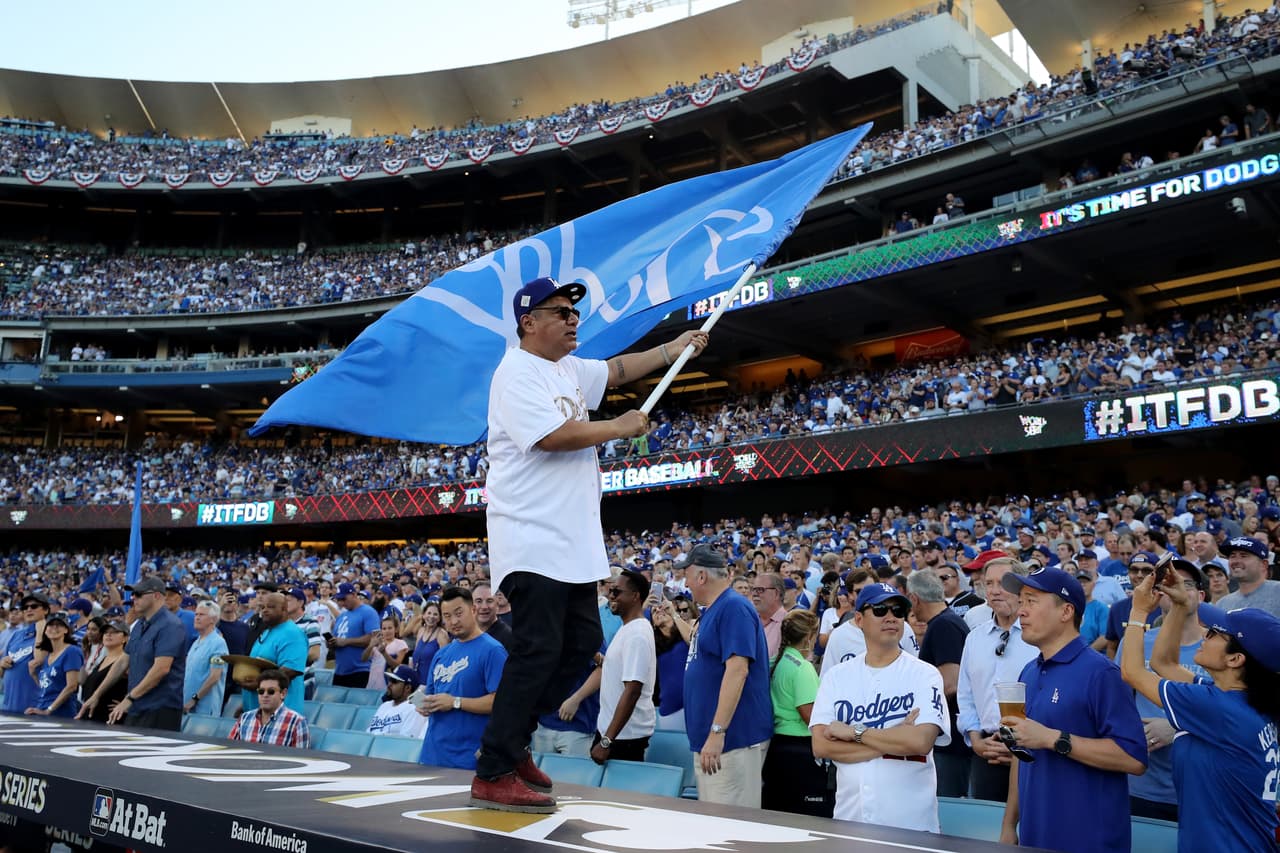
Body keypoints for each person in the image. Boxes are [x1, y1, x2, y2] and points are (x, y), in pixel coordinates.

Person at [473, 276, 707, 812]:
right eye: (561, 311)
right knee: (537, 651)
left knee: (578, 647)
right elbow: (552, 436)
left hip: (573, 542)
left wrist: (674, 348)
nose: (573, 319)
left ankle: (513, 745)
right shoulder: (515, 373)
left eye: (575, 312)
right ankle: (493, 767)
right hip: (531, 536)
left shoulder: (567, 368)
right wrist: (618, 426)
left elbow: (619, 369)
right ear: (529, 322)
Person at [1120, 573, 1280, 851]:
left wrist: (1138, 612)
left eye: (1216, 634)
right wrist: (1179, 608)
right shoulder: (1238, 700)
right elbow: (1163, 664)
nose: (1205, 635)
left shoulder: (1219, 708)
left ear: (1235, 659)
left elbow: (1133, 672)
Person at [998, 567, 1147, 853]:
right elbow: (1022, 754)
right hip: (1034, 834)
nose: (1021, 611)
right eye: (1021, 602)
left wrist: (1054, 739)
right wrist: (1008, 825)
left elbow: (1133, 758)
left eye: (1031, 601)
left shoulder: (1101, 673)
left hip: (1088, 838)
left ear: (1066, 612)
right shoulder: (1029, 671)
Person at [810, 583, 951, 833]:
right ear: (859, 619)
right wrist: (895, 738)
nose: (890, 617)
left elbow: (920, 742)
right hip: (849, 820)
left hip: (911, 825)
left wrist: (855, 733)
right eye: (879, 610)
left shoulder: (924, 674)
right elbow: (821, 746)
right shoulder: (836, 676)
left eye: (898, 611)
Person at [683, 544, 774, 807]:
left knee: (732, 832)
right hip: (714, 742)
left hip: (731, 741)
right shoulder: (715, 609)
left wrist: (717, 731)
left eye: (687, 575)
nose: (685, 582)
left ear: (701, 577)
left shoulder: (733, 607)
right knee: (715, 830)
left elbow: (738, 670)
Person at [1118, 559, 1208, 821]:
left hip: (1200, 787)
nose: (1176, 587)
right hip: (1142, 783)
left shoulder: (1218, 649)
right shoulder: (1135, 642)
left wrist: (1177, 728)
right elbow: (1118, 701)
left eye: (1186, 583)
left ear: (1200, 595)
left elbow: (1230, 715)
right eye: (1168, 582)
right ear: (1157, 594)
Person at [956, 556, 1038, 802]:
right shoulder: (975, 638)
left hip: (1033, 755)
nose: (993, 591)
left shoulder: (1039, 637)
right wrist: (976, 741)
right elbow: (966, 695)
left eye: (1002, 583)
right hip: (986, 753)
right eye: (988, 583)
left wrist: (1027, 746)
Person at [419, 587, 508, 773]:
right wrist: (424, 705)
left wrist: (455, 702)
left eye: (459, 613)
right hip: (431, 754)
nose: (453, 621)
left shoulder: (493, 650)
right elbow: (431, 694)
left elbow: (499, 702)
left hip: (467, 759)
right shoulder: (441, 654)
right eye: (447, 616)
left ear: (473, 610)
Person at [907, 569, 971, 798]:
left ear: (914, 598)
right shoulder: (946, 621)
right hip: (949, 737)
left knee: (948, 803)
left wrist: (914, 711)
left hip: (951, 740)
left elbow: (950, 683)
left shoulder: (944, 625)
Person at [761, 609, 831, 817]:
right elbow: (809, 715)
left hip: (778, 746)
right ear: (809, 637)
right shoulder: (802, 668)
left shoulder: (777, 661)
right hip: (800, 750)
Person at [590, 569, 656, 765]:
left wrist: (606, 741)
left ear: (635, 596)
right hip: (614, 733)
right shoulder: (627, 628)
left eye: (617, 591)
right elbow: (620, 670)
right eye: (610, 590)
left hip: (623, 738)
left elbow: (633, 690)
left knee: (618, 796)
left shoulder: (637, 634)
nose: (611, 596)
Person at [108, 576, 188, 731]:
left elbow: (161, 669)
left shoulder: (171, 625)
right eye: (133, 594)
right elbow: (123, 662)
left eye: (138, 594)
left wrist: (129, 698)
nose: (133, 598)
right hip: (138, 705)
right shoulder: (139, 625)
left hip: (160, 708)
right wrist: (96, 695)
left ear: (157, 595)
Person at [241, 592, 308, 716]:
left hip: (281, 715)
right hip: (257, 711)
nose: (265, 610)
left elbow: (289, 671)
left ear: (284, 608)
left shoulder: (292, 633)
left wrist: (257, 685)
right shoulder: (266, 632)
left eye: (270, 607)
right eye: (262, 607)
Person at [228, 669, 311, 748]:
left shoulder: (297, 722)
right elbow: (230, 750)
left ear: (283, 693)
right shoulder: (244, 718)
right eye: (261, 691)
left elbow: (300, 758)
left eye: (271, 691)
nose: (265, 695)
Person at [26, 612, 82, 718]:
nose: (54, 628)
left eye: (59, 625)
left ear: (66, 630)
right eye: (51, 625)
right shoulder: (49, 655)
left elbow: (71, 686)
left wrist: (49, 710)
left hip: (61, 713)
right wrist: (33, 675)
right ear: (46, 630)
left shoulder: (72, 651)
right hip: (43, 708)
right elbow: (47, 687)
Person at [1, 592, 49, 715]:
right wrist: (2, 663)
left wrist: (40, 631)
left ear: (46, 610)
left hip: (35, 706)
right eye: (25, 607)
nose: (28, 609)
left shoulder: (52, 633)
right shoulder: (16, 635)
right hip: (9, 705)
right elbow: (1, 673)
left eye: (34, 606)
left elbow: (39, 661)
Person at [328, 582, 380, 688]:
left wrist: (345, 642)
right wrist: (331, 643)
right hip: (340, 670)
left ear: (354, 595)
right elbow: (337, 639)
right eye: (339, 600)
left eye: (344, 599)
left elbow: (373, 638)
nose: (341, 603)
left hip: (359, 670)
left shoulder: (368, 612)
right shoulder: (342, 616)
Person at [77, 620, 129, 722]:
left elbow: (140, 682)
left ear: (125, 638)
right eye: (106, 632)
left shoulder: (126, 662)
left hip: (109, 719)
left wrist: (128, 703)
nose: (109, 634)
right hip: (91, 717)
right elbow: (83, 682)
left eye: (115, 632)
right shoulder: (103, 659)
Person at [183, 601, 227, 716]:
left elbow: (215, 676)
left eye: (201, 615)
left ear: (213, 619)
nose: (196, 618)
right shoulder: (195, 643)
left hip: (204, 709)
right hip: (187, 706)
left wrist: (195, 699)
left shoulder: (218, 643)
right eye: (196, 614)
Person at [1217, 536, 1280, 616]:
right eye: (1232, 556)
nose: (1236, 561)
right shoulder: (1222, 604)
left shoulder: (1277, 592)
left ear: (1263, 564)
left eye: (1243, 556)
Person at [367, 664, 428, 739]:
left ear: (408, 688)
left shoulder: (415, 708)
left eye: (394, 681)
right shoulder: (384, 705)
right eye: (389, 680)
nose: (389, 685)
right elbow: (368, 733)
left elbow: (407, 742)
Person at [409, 598, 450, 687]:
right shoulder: (421, 631)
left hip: (430, 684)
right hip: (416, 681)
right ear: (423, 615)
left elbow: (446, 662)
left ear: (439, 618)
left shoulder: (441, 634)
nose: (431, 617)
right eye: (429, 613)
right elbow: (415, 655)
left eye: (435, 614)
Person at [363, 616, 409, 692]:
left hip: (388, 684)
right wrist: (371, 645)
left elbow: (396, 665)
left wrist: (384, 652)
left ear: (396, 629)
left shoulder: (401, 644)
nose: (387, 631)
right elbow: (364, 659)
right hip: (372, 683)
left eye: (390, 628)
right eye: (384, 629)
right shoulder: (376, 643)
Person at [749, 573, 787, 659]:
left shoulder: (788, 624)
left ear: (776, 593)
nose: (754, 594)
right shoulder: (748, 620)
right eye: (753, 589)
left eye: (760, 590)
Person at [472, 582, 514, 651]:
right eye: (479, 601)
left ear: (497, 605)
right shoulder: (465, 635)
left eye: (489, 601)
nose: (484, 607)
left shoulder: (508, 638)